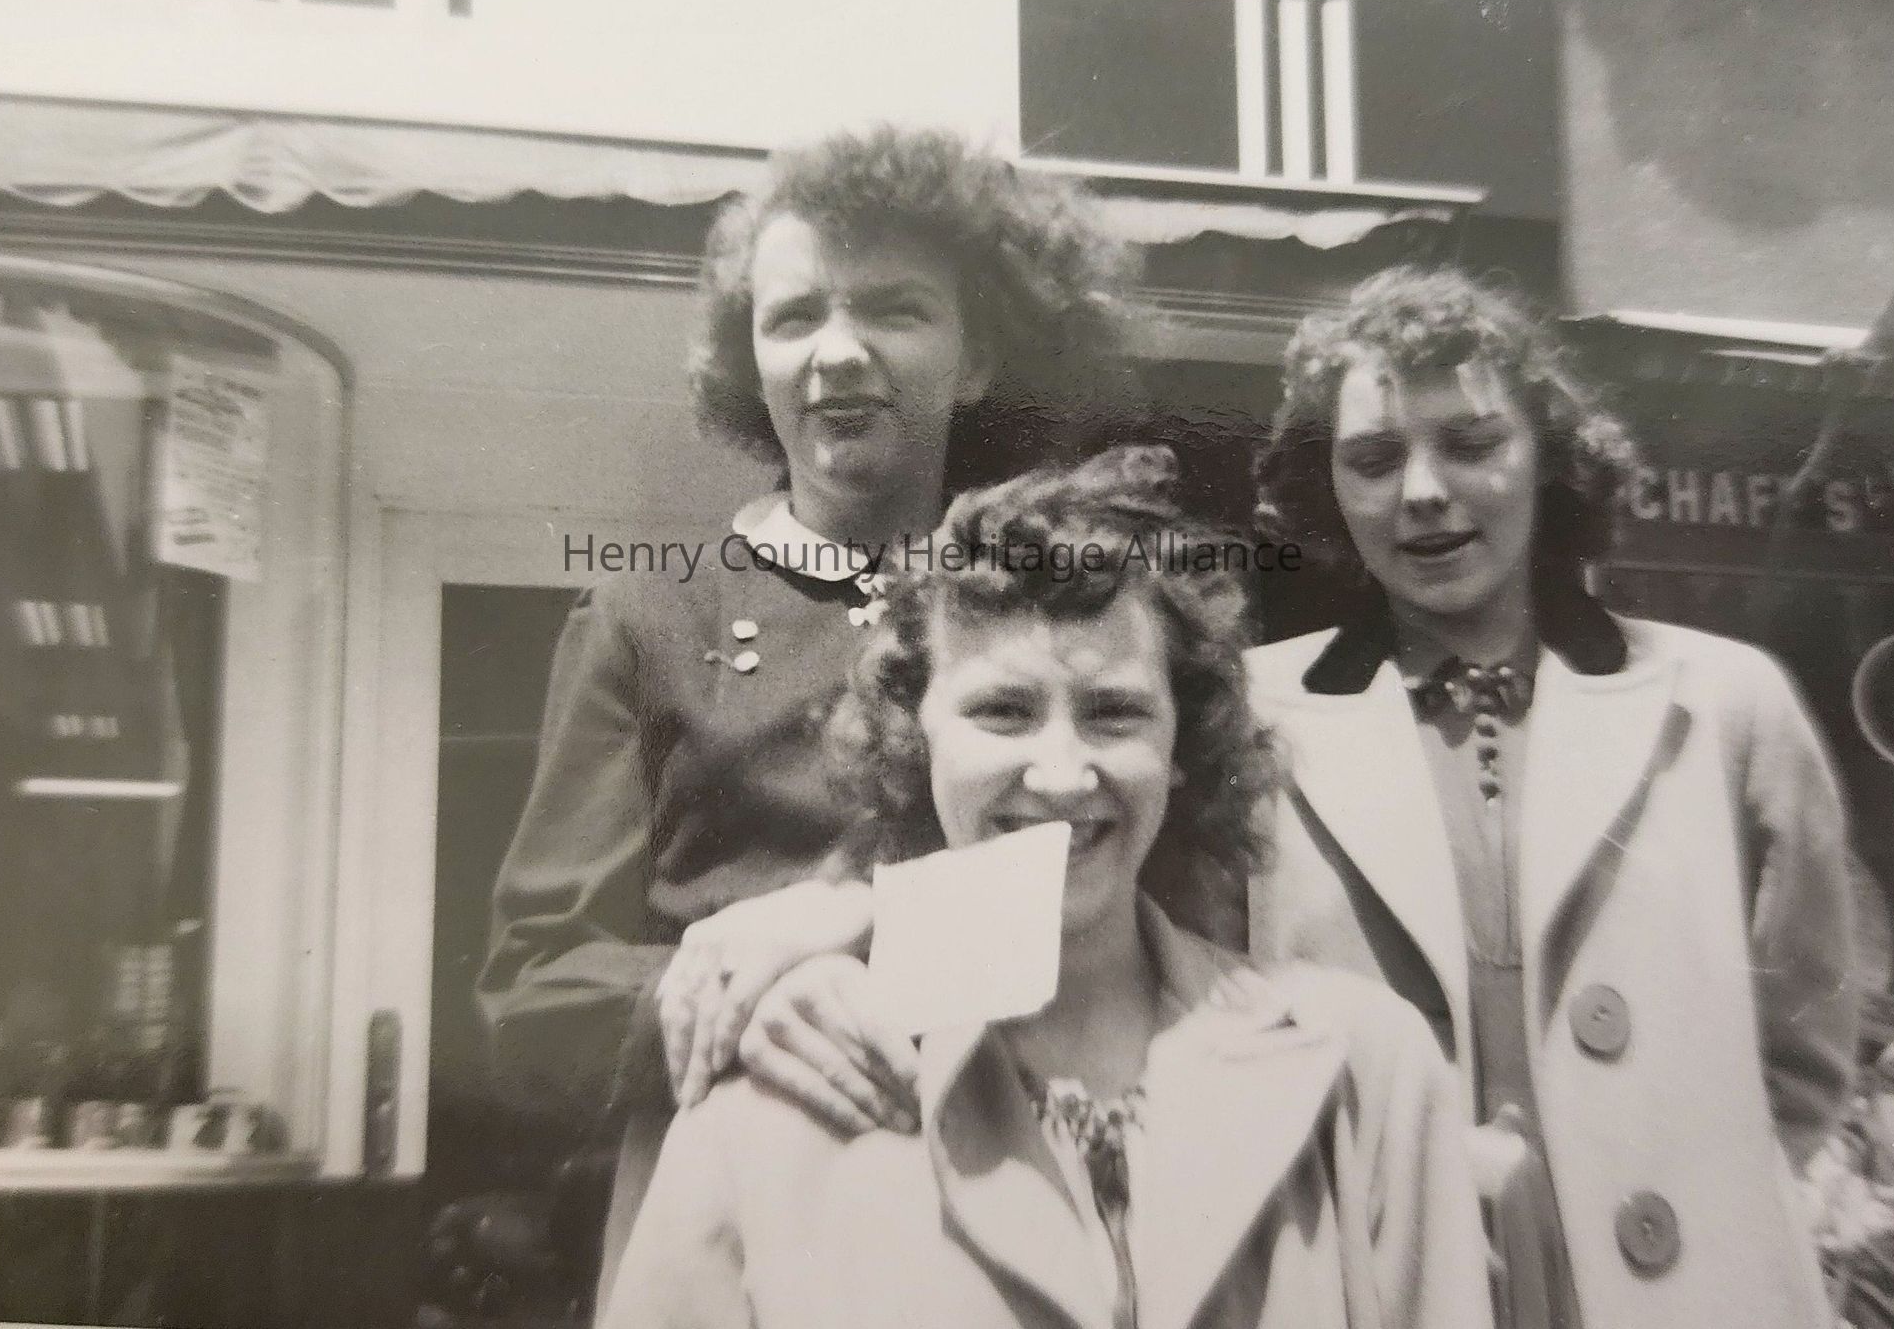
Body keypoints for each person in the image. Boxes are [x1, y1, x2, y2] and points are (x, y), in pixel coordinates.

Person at [601, 447, 1493, 1329]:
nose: (1063, 773)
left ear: (1182, 746)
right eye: (1003, 711)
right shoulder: (768, 1105)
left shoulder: (1365, 1069)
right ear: (916, 737)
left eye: (1114, 712)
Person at [476, 125, 1136, 1293]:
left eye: (892, 309)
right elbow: (532, 998)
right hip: (736, 1204)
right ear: (753, 364)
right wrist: (749, 995)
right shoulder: (648, 617)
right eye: (793, 318)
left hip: (1031, 1185)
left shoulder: (1063, 604)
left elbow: (1149, 902)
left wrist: (860, 921)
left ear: (978, 356)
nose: (836, 352)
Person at [1245, 264, 1858, 1328]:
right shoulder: (1249, 720)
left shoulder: (1728, 703)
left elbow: (1805, 1048)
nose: (1422, 490)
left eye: (1472, 443)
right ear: (1325, 485)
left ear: (1550, 457)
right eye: (1375, 459)